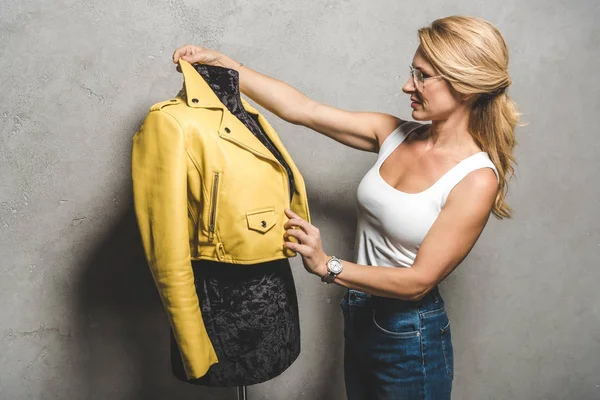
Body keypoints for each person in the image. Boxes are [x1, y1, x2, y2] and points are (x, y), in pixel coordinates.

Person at [172, 15, 518, 400]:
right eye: (412, 72)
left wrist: (327, 265)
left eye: (423, 76)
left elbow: (418, 281)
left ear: (466, 87)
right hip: (360, 314)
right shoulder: (394, 134)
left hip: (409, 335)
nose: (408, 85)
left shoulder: (475, 179)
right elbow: (302, 109)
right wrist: (223, 64)